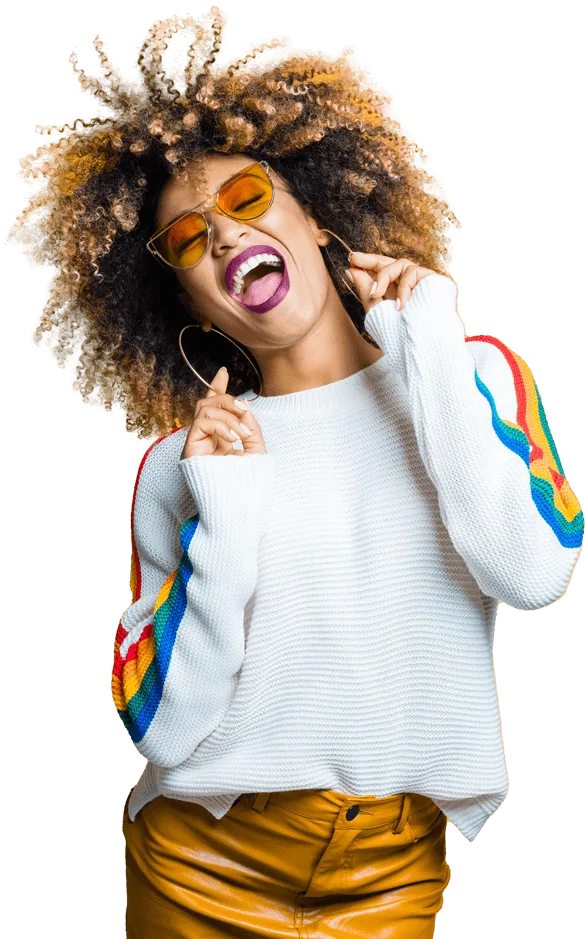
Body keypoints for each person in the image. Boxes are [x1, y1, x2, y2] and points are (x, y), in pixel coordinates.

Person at [3, 6, 583, 937]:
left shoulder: (468, 370)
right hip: (202, 858)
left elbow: (532, 572)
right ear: (187, 297)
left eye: (241, 201)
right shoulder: (179, 465)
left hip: (388, 865)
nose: (223, 237)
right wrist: (224, 509)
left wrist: (422, 343)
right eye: (189, 240)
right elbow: (162, 724)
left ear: (312, 214)